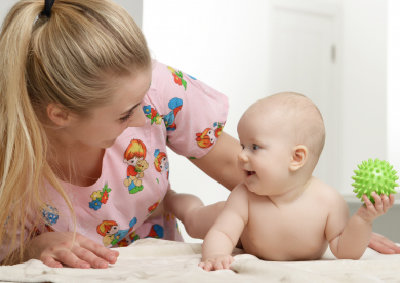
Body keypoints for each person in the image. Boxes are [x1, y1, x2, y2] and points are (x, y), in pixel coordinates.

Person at [0, 0, 398, 270]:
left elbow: (244, 170)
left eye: (145, 96)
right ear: (60, 115)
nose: (146, 115)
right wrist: (31, 249)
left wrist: (343, 226)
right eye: (125, 114)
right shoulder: (11, 150)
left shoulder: (157, 91)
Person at [166, 92, 397, 271]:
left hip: (252, 236)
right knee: (195, 221)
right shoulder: (244, 196)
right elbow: (224, 234)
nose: (241, 155)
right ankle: (173, 200)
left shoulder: (328, 202)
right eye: (242, 145)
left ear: (296, 158)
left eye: (254, 147)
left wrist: (364, 220)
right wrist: (215, 255)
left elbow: (345, 251)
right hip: (236, 230)